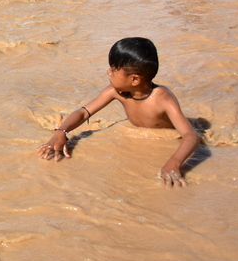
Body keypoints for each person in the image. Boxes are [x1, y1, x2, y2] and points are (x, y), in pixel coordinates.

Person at [37, 38, 200, 187]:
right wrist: (61, 131)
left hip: (166, 141)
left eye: (114, 70)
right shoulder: (115, 91)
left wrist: (174, 162)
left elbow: (190, 136)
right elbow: (84, 112)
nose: (108, 72)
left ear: (135, 79)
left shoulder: (163, 99)